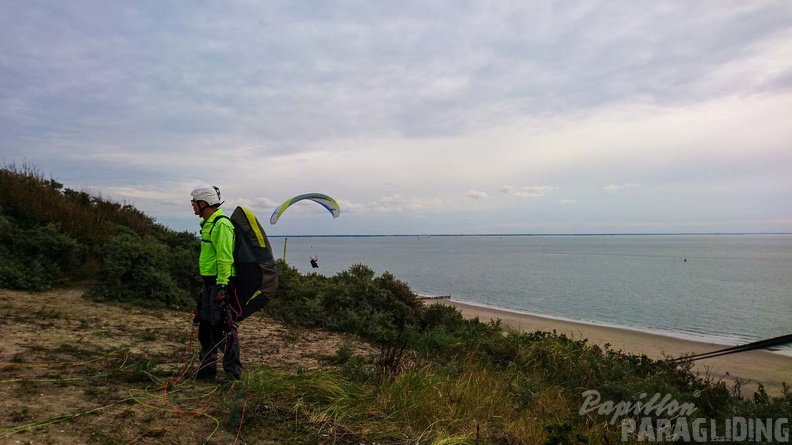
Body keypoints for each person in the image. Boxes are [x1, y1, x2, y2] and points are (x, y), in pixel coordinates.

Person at [190, 184, 242, 381]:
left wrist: (222, 286)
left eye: (194, 202)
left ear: (203, 203)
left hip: (221, 284)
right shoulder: (209, 224)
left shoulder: (221, 224)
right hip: (209, 284)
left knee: (225, 329)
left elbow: (224, 258)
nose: (192, 205)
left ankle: (233, 375)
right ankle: (207, 370)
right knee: (205, 327)